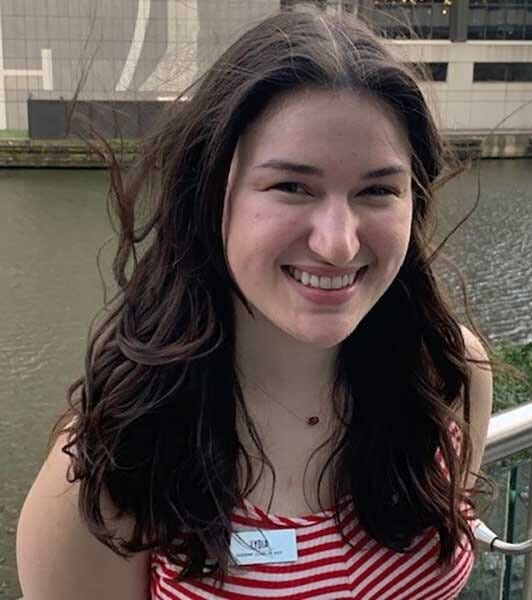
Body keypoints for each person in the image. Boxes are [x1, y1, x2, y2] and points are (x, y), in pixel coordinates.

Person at [16, 8, 494, 600]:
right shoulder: (112, 458)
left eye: (377, 190)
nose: (339, 243)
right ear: (211, 194)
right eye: (292, 186)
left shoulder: (447, 375)